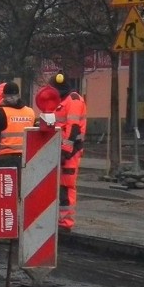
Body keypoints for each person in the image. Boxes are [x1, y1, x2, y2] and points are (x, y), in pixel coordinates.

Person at [50, 72, 87, 233]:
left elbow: (73, 128)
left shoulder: (73, 100)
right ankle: (59, 220)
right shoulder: (62, 101)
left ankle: (65, 224)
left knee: (66, 186)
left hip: (70, 152)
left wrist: (66, 151)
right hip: (61, 150)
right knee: (58, 186)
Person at [0, 82, 35, 171]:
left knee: (7, 184)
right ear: (19, 95)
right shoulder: (30, 112)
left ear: (3, 96)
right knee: (23, 184)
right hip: (26, 158)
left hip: (5, 158)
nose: (11, 98)